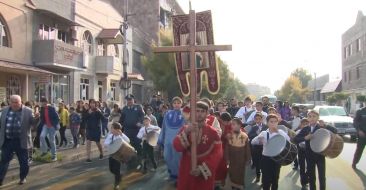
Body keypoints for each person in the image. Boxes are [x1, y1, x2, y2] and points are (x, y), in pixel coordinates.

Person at [173, 101, 223, 190]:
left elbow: (217, 154)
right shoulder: (185, 129)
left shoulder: (213, 132)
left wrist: (202, 169)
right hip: (187, 169)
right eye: (197, 111)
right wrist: (187, 131)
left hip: (204, 174)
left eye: (202, 111)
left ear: (207, 113)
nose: (199, 114)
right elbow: (177, 147)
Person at [0, 95, 36, 186]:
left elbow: (34, 124)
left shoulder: (28, 111)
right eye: (13, 102)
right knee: (4, 161)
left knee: (23, 162)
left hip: (21, 141)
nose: (15, 104)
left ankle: (23, 177)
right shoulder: (4, 110)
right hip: (7, 141)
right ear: (10, 102)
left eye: (17, 102)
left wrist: (37, 118)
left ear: (21, 102)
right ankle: (0, 179)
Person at [251, 114, 290, 190]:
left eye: (275, 122)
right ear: (267, 123)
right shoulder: (264, 133)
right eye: (271, 122)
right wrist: (259, 140)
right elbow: (253, 141)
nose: (273, 123)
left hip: (277, 158)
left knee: (275, 178)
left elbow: (288, 140)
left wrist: (278, 132)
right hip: (266, 158)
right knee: (266, 179)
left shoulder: (281, 132)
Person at [294, 110, 327, 190]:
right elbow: (295, 139)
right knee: (311, 176)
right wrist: (305, 138)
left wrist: (326, 125)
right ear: (307, 118)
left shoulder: (321, 127)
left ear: (318, 118)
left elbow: (335, 132)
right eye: (310, 116)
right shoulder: (306, 129)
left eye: (314, 116)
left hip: (320, 155)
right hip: (309, 156)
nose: (312, 118)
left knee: (322, 176)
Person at [158, 97, 185, 181]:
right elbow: (163, 127)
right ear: (172, 104)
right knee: (166, 157)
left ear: (181, 104)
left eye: (178, 103)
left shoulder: (184, 114)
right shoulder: (167, 114)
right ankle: (172, 171)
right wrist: (161, 138)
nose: (176, 104)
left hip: (178, 141)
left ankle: (177, 177)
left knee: (177, 159)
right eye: (175, 103)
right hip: (168, 141)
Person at [119, 94, 145, 168]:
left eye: (130, 100)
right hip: (127, 130)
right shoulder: (124, 109)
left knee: (138, 146)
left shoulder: (138, 107)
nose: (129, 101)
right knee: (128, 146)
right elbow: (122, 119)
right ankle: (130, 162)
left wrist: (140, 122)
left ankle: (140, 161)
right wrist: (119, 127)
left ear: (133, 100)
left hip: (136, 130)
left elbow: (142, 115)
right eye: (128, 100)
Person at [104, 122, 130, 190]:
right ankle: (119, 176)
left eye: (112, 128)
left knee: (116, 169)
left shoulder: (121, 135)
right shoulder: (111, 135)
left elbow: (128, 141)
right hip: (112, 154)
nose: (111, 129)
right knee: (111, 169)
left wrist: (121, 134)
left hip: (119, 155)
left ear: (116, 129)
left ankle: (117, 184)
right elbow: (105, 143)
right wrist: (108, 145)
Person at [226, 118, 251, 190]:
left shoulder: (244, 135)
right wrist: (227, 158)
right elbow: (227, 148)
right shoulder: (229, 135)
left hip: (241, 158)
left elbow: (247, 149)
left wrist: (248, 159)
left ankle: (240, 187)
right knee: (232, 173)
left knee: (240, 173)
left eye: (234, 124)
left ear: (239, 125)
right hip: (232, 158)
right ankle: (233, 186)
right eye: (231, 125)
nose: (232, 126)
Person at [248, 112, 268, 182]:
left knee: (264, 163)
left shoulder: (266, 126)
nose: (258, 120)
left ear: (262, 119)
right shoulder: (253, 127)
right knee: (257, 162)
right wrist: (256, 135)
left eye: (259, 119)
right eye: (256, 119)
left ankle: (264, 177)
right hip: (256, 148)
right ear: (255, 120)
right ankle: (258, 176)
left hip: (264, 147)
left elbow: (268, 134)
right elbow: (249, 135)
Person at [39, 97, 60, 162]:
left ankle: (54, 156)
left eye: (43, 102)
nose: (42, 103)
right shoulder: (41, 109)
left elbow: (57, 118)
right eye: (41, 102)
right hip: (45, 125)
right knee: (42, 136)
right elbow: (42, 118)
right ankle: (45, 151)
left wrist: (54, 125)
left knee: (52, 141)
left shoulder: (51, 108)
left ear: (46, 102)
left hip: (52, 126)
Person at [215, 112, 232, 189]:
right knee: (216, 165)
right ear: (221, 120)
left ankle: (221, 181)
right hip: (216, 147)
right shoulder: (216, 123)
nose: (227, 123)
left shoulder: (230, 125)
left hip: (225, 148)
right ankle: (215, 182)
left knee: (223, 166)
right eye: (225, 121)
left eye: (228, 121)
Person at [294, 118, 309, 189]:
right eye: (303, 124)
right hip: (301, 150)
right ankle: (303, 181)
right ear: (301, 125)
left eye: (307, 124)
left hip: (309, 151)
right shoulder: (298, 132)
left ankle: (306, 178)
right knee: (302, 166)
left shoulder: (311, 131)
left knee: (310, 166)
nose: (305, 125)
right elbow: (295, 140)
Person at [352, 104, 366, 169]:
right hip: (362, 135)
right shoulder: (360, 111)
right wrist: (359, 130)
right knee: (359, 150)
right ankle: (354, 163)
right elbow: (355, 122)